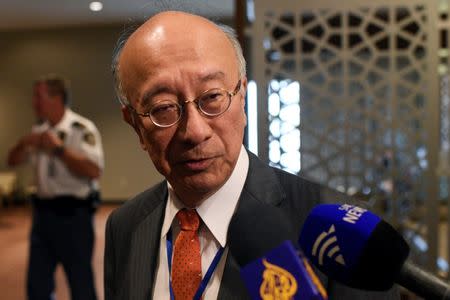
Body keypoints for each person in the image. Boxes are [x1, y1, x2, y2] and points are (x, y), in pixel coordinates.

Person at [105, 11, 400, 300]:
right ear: (134, 123)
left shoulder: (339, 234)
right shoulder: (126, 226)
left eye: (212, 97)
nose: (194, 131)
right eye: (163, 107)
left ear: (242, 94)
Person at [7, 75, 103, 300]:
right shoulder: (38, 129)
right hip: (42, 215)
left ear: (56, 98)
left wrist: (59, 149)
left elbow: (94, 170)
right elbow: (11, 160)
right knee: (37, 285)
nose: (34, 102)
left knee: (80, 282)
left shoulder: (81, 128)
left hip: (74, 216)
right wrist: (23, 143)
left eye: (38, 96)